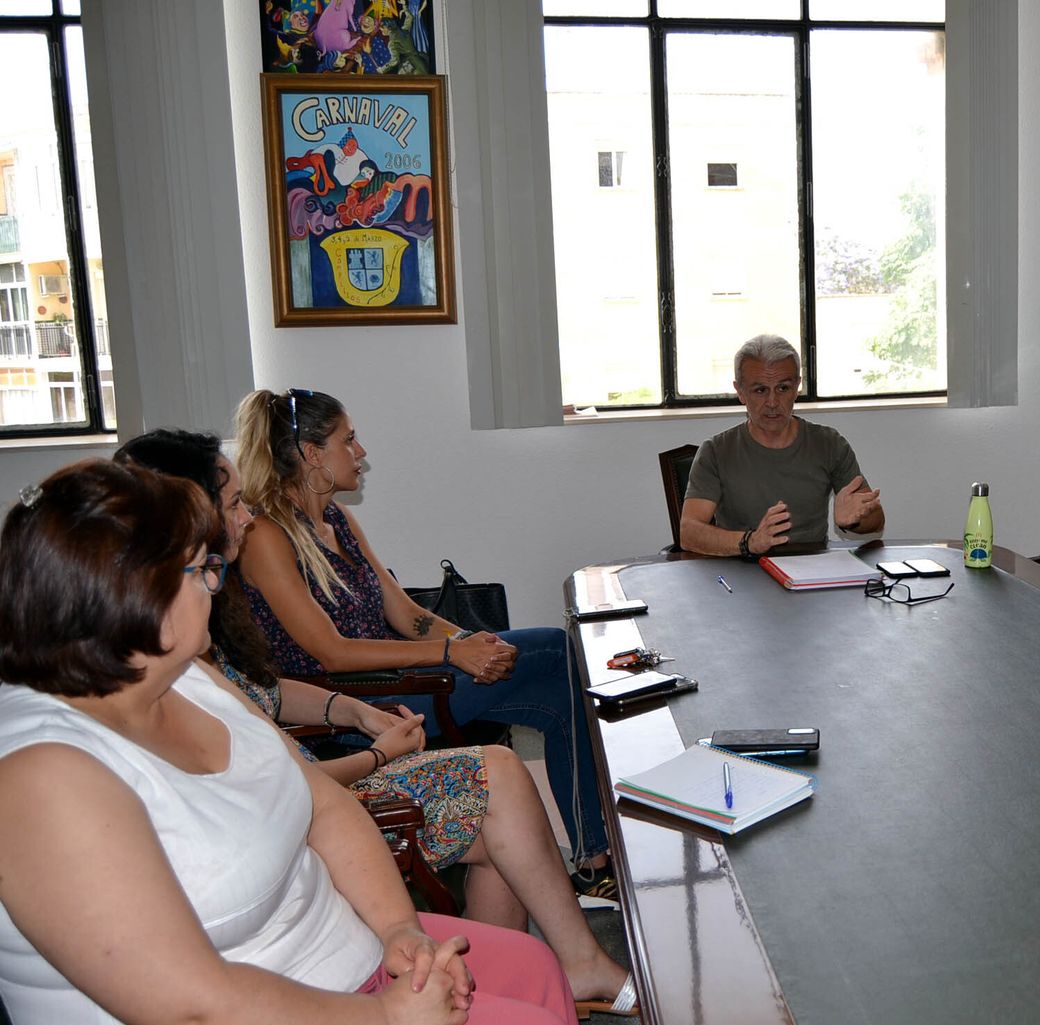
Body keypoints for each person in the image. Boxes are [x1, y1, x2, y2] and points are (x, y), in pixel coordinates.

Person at [0, 459, 577, 1024]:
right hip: (269, 1004)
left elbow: (324, 806)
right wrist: (383, 1014)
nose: (215, 584)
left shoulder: (189, 675)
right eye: (202, 570)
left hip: (340, 956)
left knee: (535, 969)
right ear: (137, 596)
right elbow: (189, 1005)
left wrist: (397, 928)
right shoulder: (42, 781)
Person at [114, 428, 635, 1018]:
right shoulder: (191, 638)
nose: (247, 515)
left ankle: (513, 971)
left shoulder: (214, 618)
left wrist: (363, 704)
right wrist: (384, 743)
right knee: (503, 773)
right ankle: (570, 938)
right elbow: (312, 707)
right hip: (328, 781)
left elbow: (272, 692)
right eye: (234, 504)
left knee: (513, 762)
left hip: (341, 750)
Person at [229, 388, 610, 884]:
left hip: (399, 679)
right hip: (359, 705)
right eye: (349, 439)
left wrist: (475, 644)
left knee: (559, 689)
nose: (361, 452)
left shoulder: (337, 519)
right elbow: (331, 652)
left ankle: (595, 861)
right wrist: (453, 651)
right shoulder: (267, 536)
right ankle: (595, 859)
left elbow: (406, 614)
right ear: (312, 454)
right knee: (556, 649)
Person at [679, 334, 884, 557]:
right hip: (742, 568)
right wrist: (750, 542)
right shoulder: (716, 452)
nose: (772, 402)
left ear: (797, 387)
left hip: (811, 568)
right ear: (740, 392)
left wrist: (855, 520)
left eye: (783, 388)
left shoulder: (829, 443)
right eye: (760, 390)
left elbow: (876, 520)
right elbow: (689, 533)